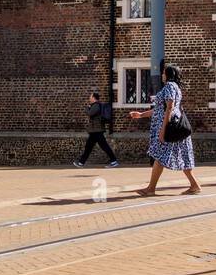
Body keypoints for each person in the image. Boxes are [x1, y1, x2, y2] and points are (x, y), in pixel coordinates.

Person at [130, 63, 199, 196]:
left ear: (168, 75)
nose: (162, 75)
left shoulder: (169, 86)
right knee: (180, 156)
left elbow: (169, 107)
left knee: (159, 157)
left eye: (163, 73)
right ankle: (194, 185)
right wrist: (141, 115)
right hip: (175, 127)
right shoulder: (176, 87)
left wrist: (163, 130)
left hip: (170, 127)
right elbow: (159, 109)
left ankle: (151, 188)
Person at [74, 90, 118, 168]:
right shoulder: (96, 105)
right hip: (95, 131)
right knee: (88, 148)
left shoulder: (96, 105)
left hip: (97, 131)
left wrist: (87, 108)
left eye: (90, 97)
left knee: (104, 147)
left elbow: (90, 113)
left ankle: (114, 161)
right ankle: (81, 163)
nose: (89, 98)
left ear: (94, 98)